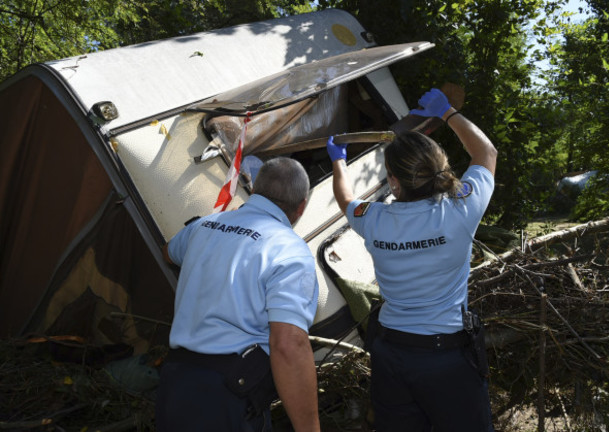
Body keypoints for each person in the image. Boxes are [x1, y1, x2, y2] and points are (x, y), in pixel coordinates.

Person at [327, 88, 497, 431]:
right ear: (440, 166)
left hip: (392, 357)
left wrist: (338, 159)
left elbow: (345, 198)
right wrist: (447, 112)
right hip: (447, 360)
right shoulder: (461, 208)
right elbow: (486, 152)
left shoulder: (372, 218)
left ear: (393, 182)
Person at [155, 157, 321, 432]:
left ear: (253, 190)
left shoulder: (205, 225)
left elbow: (168, 252)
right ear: (301, 207)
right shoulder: (289, 250)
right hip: (229, 397)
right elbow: (288, 345)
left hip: (176, 383)